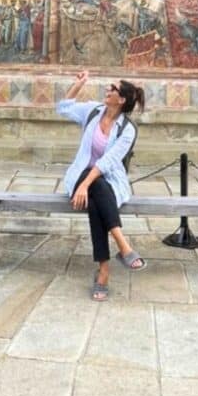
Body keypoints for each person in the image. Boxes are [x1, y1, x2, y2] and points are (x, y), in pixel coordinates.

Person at [56, 70, 147, 301]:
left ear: (122, 99)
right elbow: (63, 107)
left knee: (97, 196)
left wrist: (86, 185)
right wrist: (78, 84)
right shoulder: (93, 111)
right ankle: (123, 246)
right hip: (80, 176)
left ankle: (104, 272)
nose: (107, 90)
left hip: (106, 181)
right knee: (96, 185)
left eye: (112, 89)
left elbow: (107, 163)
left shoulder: (127, 130)